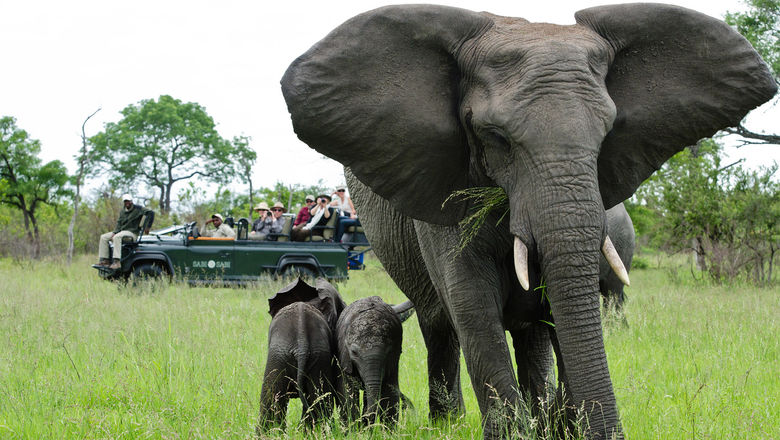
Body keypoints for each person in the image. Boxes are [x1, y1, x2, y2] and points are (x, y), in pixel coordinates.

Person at [97, 193, 152, 269]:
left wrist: (148, 227)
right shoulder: (123, 211)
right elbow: (119, 223)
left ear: (131, 201)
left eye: (128, 201)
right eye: (125, 201)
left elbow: (151, 213)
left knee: (117, 237)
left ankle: (117, 262)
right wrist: (114, 232)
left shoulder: (138, 209)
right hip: (122, 232)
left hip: (132, 233)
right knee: (103, 237)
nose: (127, 203)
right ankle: (105, 260)